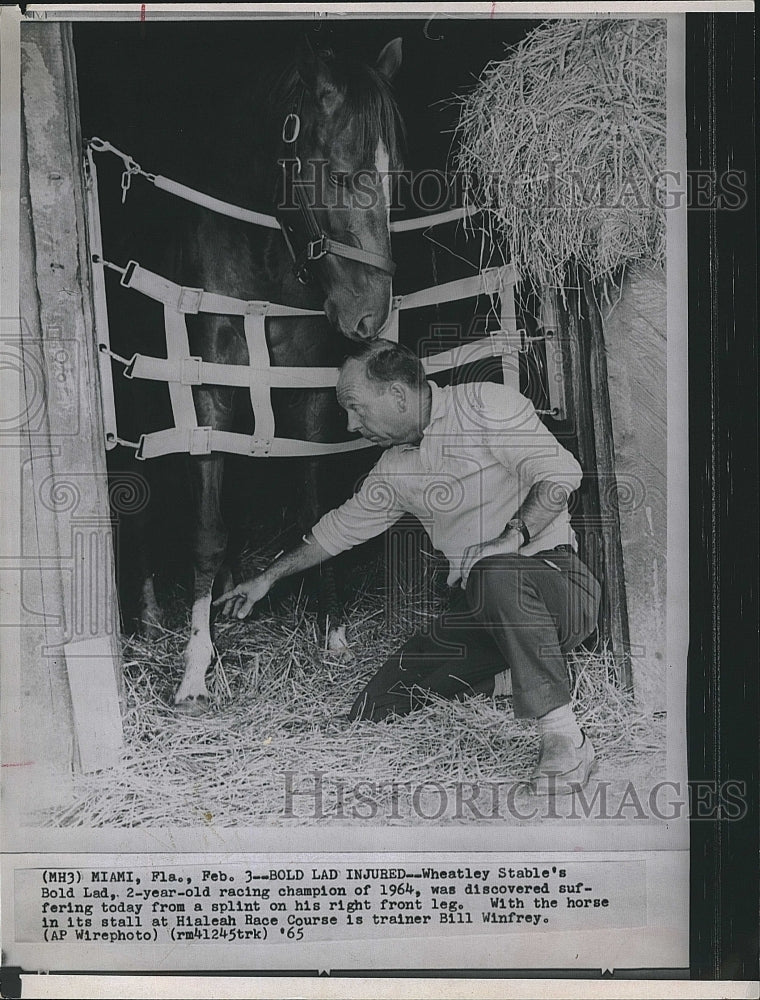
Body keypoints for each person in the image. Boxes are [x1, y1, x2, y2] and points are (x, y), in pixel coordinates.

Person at [215, 340, 601, 795]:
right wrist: (266, 578)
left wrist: (507, 540)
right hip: (483, 612)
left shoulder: (485, 405)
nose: (351, 424)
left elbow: (561, 475)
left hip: (556, 586)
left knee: (495, 572)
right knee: (381, 702)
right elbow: (339, 529)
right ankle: (515, 673)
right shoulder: (395, 469)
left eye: (355, 408)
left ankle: (564, 738)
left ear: (398, 395)